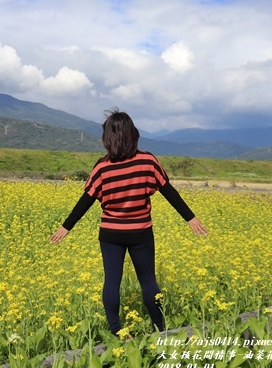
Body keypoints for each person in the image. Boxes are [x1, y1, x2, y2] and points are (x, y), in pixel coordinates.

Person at [50, 108, 209, 337]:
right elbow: (168, 191)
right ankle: (160, 329)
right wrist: (190, 218)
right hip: (140, 232)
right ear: (132, 134)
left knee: (112, 282)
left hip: (110, 233)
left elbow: (86, 199)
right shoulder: (147, 160)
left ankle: (117, 333)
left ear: (108, 138)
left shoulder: (102, 167)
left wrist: (66, 227)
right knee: (148, 282)